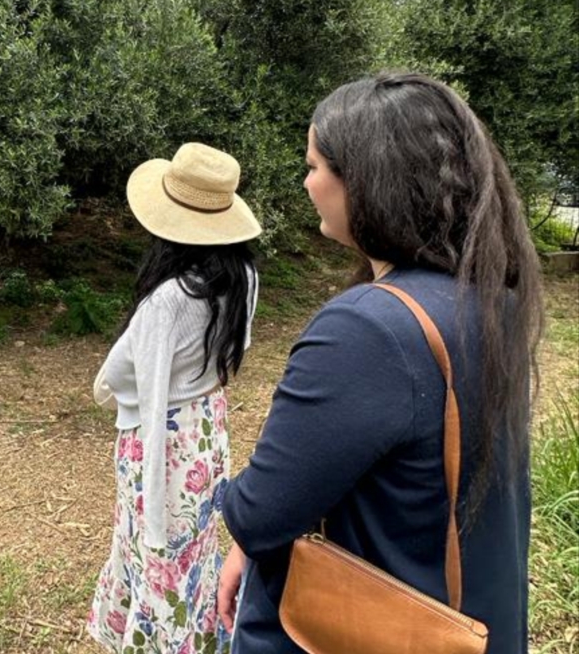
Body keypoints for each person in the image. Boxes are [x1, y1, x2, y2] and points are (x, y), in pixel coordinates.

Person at [218, 73, 543, 654]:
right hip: (469, 616)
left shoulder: (368, 328)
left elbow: (260, 512)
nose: (307, 182)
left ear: (366, 181)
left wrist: (238, 513)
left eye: (314, 165)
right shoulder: (493, 301)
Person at [88, 142, 262, 654]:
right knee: (196, 551)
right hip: (206, 432)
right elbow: (232, 354)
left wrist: (155, 524)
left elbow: (128, 382)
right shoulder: (244, 277)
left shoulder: (168, 300)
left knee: (156, 556)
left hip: (160, 444)